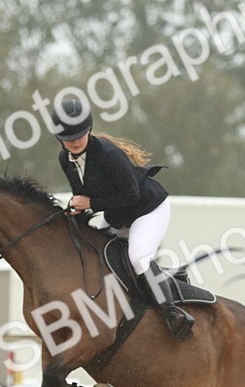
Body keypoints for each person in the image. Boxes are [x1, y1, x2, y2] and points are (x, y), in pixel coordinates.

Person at [50, 98, 193, 339]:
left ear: (89, 130)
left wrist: (91, 204)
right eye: (67, 137)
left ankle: (173, 313)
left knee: (137, 258)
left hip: (148, 209)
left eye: (79, 135)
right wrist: (76, 209)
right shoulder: (65, 159)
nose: (74, 141)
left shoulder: (108, 154)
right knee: (96, 252)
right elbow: (83, 194)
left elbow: (131, 195)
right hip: (118, 214)